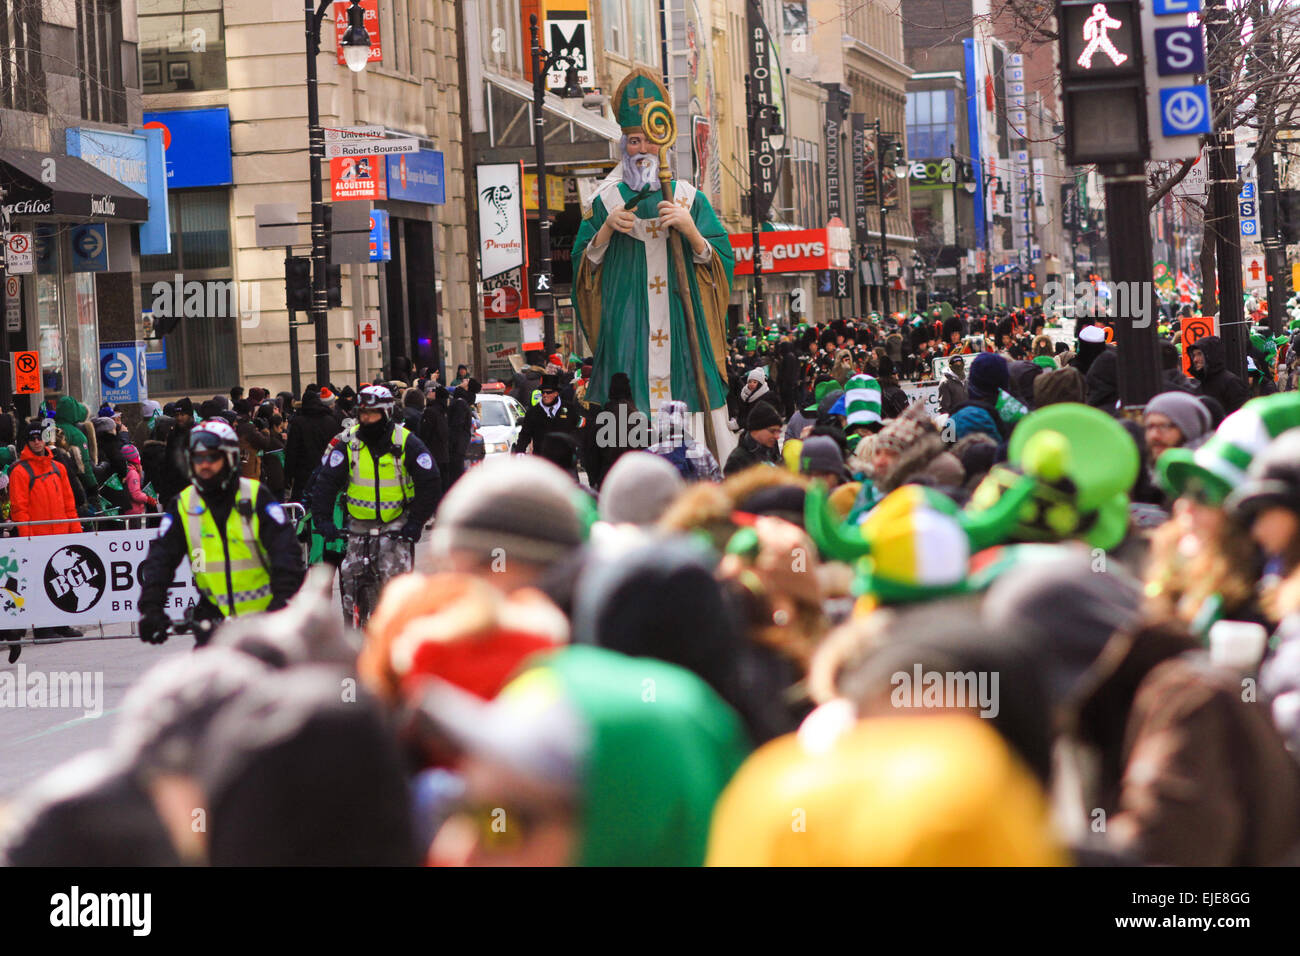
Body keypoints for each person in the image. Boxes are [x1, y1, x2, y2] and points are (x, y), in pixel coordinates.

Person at [572, 69, 737, 463]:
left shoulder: (687, 197)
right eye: (633, 140)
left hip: (682, 336)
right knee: (627, 433)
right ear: (623, 145)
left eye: (647, 138)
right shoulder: (605, 200)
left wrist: (692, 232)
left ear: (663, 142)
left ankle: (697, 472)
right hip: (630, 334)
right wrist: (605, 233)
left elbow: (721, 261)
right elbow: (582, 272)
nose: (641, 147)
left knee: (690, 444)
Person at [138, 421, 305, 647]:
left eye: (212, 457)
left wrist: (282, 601)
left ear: (230, 458)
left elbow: (286, 552)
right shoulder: (184, 504)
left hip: (265, 618)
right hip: (213, 617)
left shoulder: (256, 497)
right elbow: (161, 558)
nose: (204, 464)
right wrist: (151, 608)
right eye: (198, 458)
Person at [309, 386, 441, 626]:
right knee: (349, 583)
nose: (366, 418)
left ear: (387, 413)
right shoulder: (348, 442)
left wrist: (415, 522)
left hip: (396, 526)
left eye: (373, 413)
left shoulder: (406, 441)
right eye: (363, 413)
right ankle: (353, 632)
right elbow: (326, 482)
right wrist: (323, 520)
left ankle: (398, 633)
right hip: (357, 528)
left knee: (397, 590)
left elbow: (430, 481)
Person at [4, 420, 85, 659]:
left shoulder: (58, 467)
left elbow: (70, 504)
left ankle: (61, 624)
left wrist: (76, 533)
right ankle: (43, 627)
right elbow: (20, 508)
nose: (37, 441)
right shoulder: (20, 471)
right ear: (27, 442)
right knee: (40, 583)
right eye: (32, 438)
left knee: (62, 580)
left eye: (40, 437)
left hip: (60, 535)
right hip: (37, 538)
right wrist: (28, 539)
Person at [514, 373, 579, 456]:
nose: (545, 395)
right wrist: (519, 452)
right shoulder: (533, 412)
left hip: (565, 460)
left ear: (556, 393)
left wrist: (577, 449)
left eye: (548, 392)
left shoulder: (570, 409)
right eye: (543, 392)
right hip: (542, 461)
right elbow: (525, 435)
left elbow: (577, 431)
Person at [1187, 335, 1251, 414]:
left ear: (1211, 355)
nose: (1195, 360)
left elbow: (1240, 415)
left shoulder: (1231, 382)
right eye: (1194, 355)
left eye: (1199, 354)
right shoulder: (1198, 383)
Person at [723, 401, 783, 477]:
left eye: (778, 431)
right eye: (772, 431)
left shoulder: (771, 450)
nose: (777, 436)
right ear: (756, 429)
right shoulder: (737, 460)